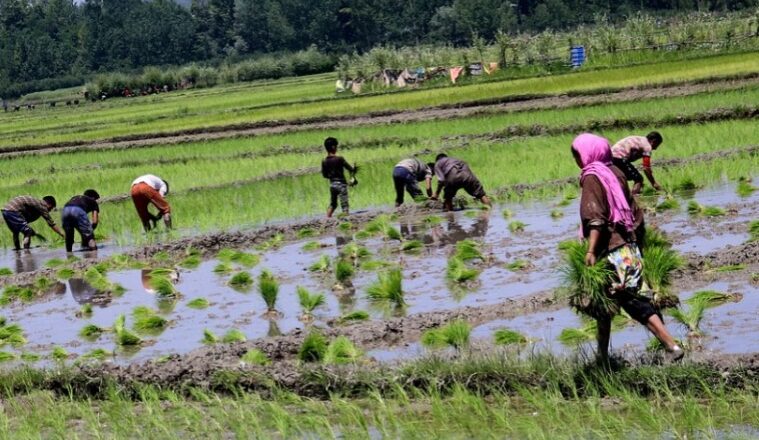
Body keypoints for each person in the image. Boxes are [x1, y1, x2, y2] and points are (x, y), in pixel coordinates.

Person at [571, 133, 683, 362]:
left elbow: (596, 218)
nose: (576, 159)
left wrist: (591, 251)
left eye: (576, 154)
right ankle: (602, 358)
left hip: (612, 253)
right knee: (603, 305)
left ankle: (672, 347)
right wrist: (636, 243)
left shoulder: (593, 177)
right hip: (627, 248)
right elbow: (635, 212)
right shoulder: (615, 172)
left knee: (633, 302)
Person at [321, 137, 355, 218]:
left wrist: (332, 176)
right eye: (336, 146)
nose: (337, 148)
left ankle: (327, 219)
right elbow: (350, 169)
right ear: (333, 147)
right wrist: (354, 171)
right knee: (344, 205)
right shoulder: (340, 159)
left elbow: (324, 175)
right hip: (341, 185)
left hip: (332, 185)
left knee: (333, 204)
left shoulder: (324, 161)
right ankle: (346, 220)